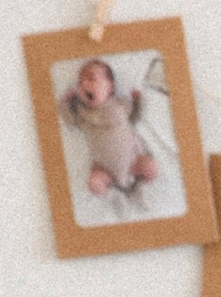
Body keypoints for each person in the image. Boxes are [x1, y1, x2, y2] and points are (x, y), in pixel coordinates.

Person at [60, 54, 157, 202]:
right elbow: (69, 120)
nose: (85, 84)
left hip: (133, 160)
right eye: (80, 82)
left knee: (150, 167)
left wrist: (138, 101)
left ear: (110, 86)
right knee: (94, 183)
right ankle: (107, 184)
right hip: (105, 169)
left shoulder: (120, 103)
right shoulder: (82, 112)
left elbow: (135, 118)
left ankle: (143, 180)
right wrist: (66, 103)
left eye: (91, 79)